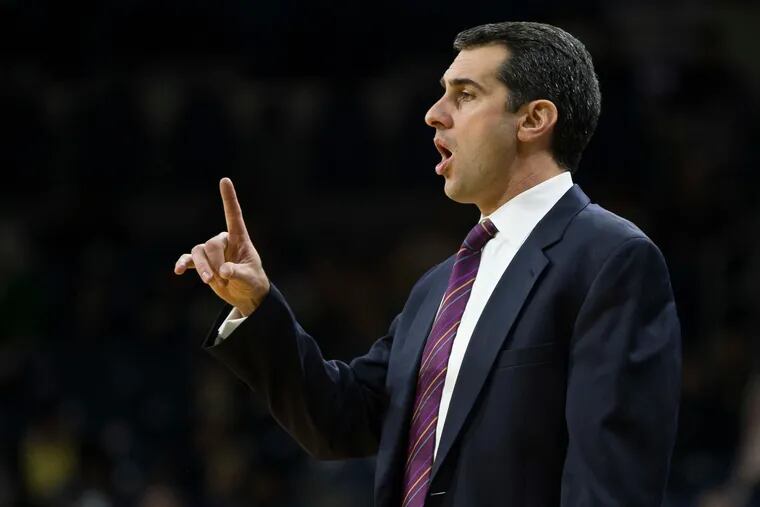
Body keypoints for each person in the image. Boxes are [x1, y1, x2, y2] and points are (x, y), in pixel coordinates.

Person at [174, 21, 681, 507]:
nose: (433, 114)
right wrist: (257, 305)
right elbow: (342, 421)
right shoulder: (439, 286)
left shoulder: (610, 259)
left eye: (465, 95)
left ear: (533, 120)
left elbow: (609, 484)